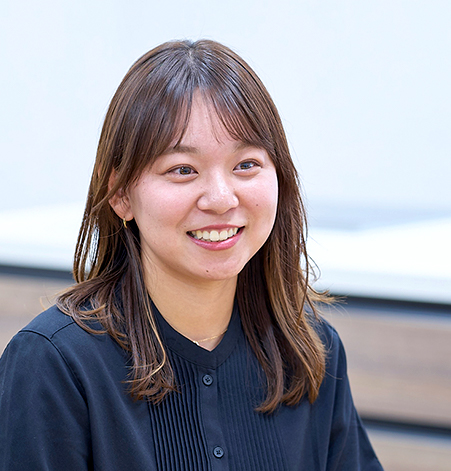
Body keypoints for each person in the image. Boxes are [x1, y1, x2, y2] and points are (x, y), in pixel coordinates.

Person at [0, 39, 383, 470]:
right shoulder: (54, 364)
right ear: (120, 194)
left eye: (246, 165)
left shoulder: (309, 349)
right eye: (182, 170)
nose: (221, 199)